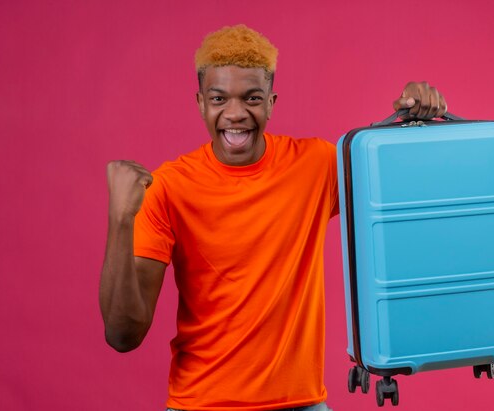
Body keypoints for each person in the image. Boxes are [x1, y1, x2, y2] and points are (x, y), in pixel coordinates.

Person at [99, 24, 447, 411]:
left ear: (271, 102)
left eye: (251, 98)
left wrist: (414, 121)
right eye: (219, 98)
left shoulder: (315, 166)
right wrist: (120, 219)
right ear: (200, 103)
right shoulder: (168, 188)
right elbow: (122, 334)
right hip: (200, 404)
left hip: (301, 403)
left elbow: (402, 186)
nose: (235, 113)